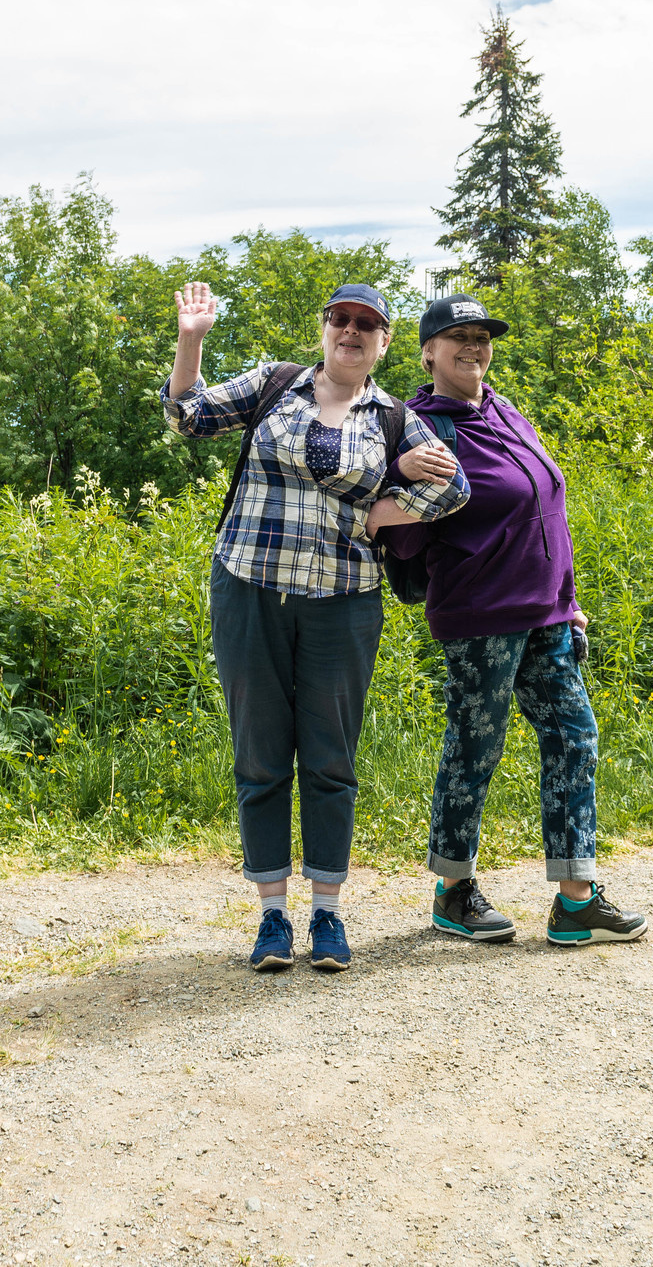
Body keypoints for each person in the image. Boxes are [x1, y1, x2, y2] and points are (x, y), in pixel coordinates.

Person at [162, 280, 468, 974]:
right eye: (341, 319)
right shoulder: (276, 384)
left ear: (385, 343)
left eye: (368, 324)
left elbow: (454, 488)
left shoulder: (392, 417)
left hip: (343, 602)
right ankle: (272, 918)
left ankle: (327, 914)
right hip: (249, 590)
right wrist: (192, 338)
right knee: (261, 753)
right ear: (324, 328)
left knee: (330, 757)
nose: (352, 331)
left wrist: (382, 506)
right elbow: (188, 415)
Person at [372, 295, 650, 948]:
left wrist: (570, 597)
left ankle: (575, 898)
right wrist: (393, 483)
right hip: (480, 615)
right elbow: (396, 520)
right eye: (456, 336)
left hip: (547, 611)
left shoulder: (504, 409)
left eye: (481, 336)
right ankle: (453, 890)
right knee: (475, 748)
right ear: (428, 352)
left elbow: (550, 502)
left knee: (575, 736)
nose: (472, 345)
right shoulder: (419, 426)